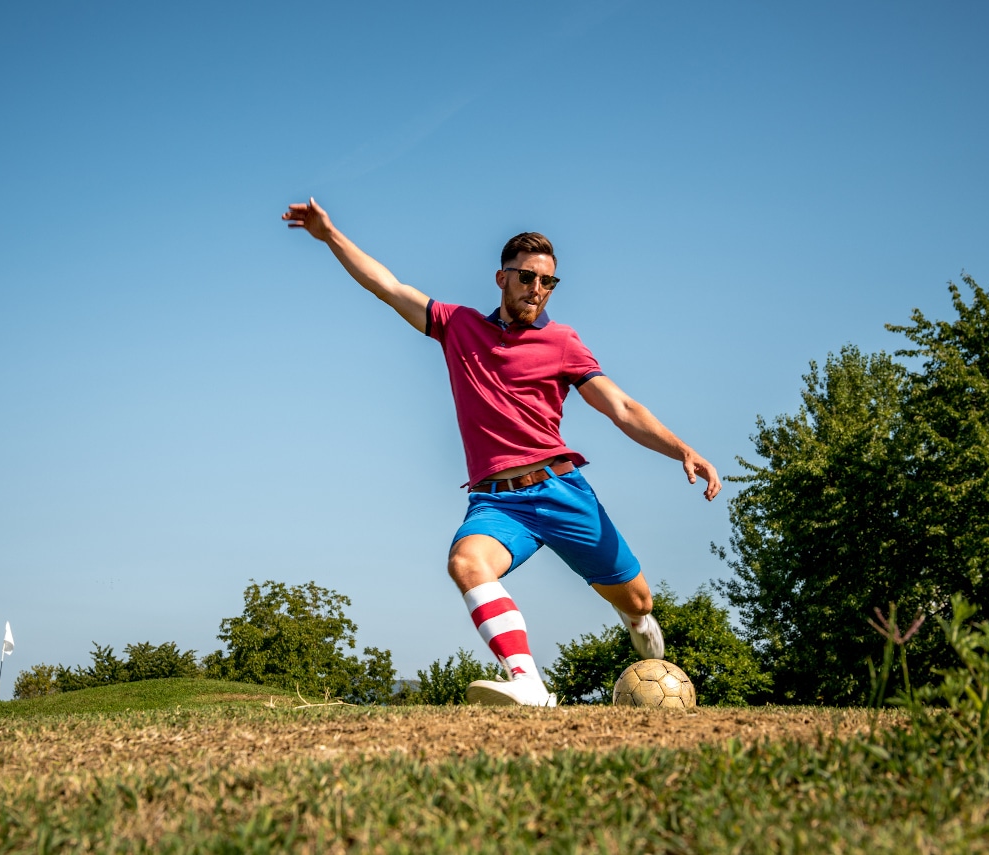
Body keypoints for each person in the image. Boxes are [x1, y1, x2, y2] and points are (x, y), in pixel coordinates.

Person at [282, 198, 722, 706]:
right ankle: (528, 683)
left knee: (640, 603)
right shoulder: (458, 325)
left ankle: (654, 674)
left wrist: (681, 449)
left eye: (548, 282)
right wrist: (331, 235)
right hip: (496, 503)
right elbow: (389, 287)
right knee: (466, 562)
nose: (537, 289)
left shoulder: (563, 342)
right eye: (528, 277)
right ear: (502, 278)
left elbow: (621, 406)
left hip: (562, 492)